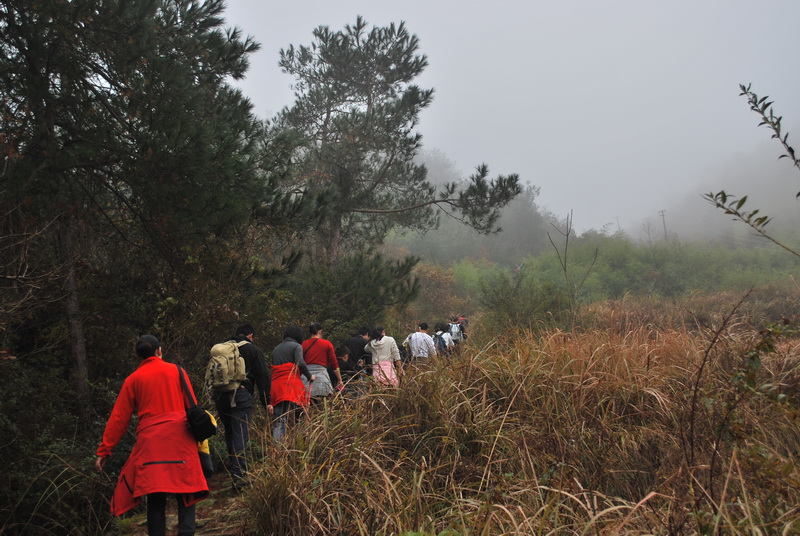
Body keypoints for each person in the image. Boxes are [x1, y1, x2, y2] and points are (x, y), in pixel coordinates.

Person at [96, 335, 208, 536]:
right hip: (180, 438)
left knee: (155, 496)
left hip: (151, 444)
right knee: (186, 489)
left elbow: (119, 418)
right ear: (159, 351)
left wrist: (105, 451)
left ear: (138, 357)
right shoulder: (177, 371)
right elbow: (193, 407)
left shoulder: (133, 379)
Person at [212, 324, 271, 490]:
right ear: (250, 335)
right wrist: (266, 401)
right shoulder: (252, 349)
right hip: (241, 394)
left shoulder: (223, 349)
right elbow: (262, 376)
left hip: (221, 395)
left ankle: (234, 470)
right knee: (240, 432)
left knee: (230, 432)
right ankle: (239, 475)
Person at [271, 324, 315, 442]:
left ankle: (277, 448)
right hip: (292, 386)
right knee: (299, 417)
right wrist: (309, 376)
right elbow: (300, 362)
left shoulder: (276, 349)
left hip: (277, 386)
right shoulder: (296, 346)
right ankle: (299, 443)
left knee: (279, 420)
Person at [301, 322, 343, 404]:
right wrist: (339, 379)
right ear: (320, 332)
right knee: (322, 405)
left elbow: (300, 363)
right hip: (321, 379)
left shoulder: (303, 345)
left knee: (306, 405)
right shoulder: (327, 344)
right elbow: (334, 365)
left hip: (306, 379)